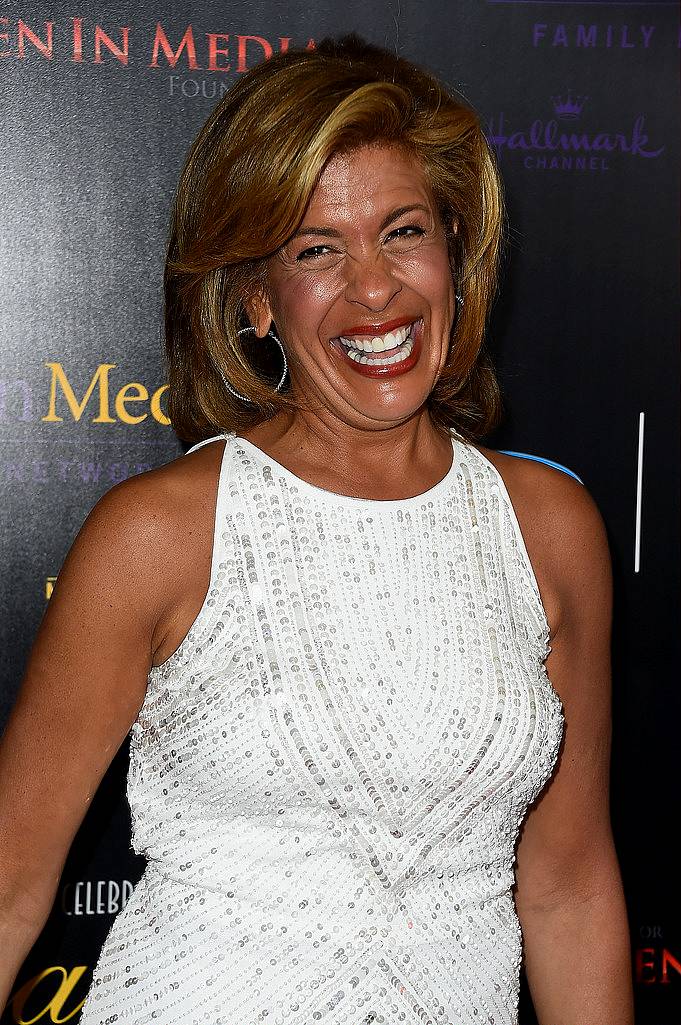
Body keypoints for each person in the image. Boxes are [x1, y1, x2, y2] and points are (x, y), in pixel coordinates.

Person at [0, 33, 633, 1025]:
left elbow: (568, 885)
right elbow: (10, 883)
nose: (374, 289)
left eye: (404, 231)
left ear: (456, 254)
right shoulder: (161, 532)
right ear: (256, 295)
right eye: (316, 249)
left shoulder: (550, 530)